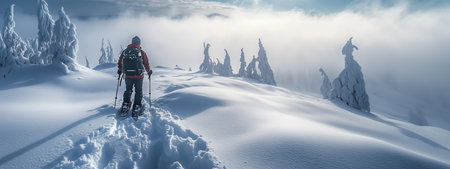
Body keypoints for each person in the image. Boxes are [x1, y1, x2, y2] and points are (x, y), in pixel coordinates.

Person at [117, 36, 152, 114]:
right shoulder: (141, 52)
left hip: (128, 75)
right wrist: (149, 71)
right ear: (139, 43)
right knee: (138, 91)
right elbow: (146, 63)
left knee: (128, 90)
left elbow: (120, 62)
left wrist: (120, 70)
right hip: (139, 76)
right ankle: (136, 106)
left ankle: (126, 104)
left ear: (132, 42)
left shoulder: (125, 51)